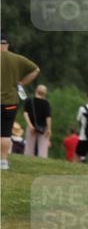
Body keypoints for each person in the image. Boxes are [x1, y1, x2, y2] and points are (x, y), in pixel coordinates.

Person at [1, 32, 40, 170]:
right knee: (5, 133)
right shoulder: (17, 59)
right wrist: (21, 83)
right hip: (11, 102)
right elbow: (36, 69)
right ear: (7, 45)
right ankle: (3, 162)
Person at [24, 85, 52, 158]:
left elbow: (25, 113)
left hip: (31, 126)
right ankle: (42, 161)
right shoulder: (46, 103)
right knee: (43, 148)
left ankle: (27, 160)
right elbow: (48, 117)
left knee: (29, 147)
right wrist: (49, 129)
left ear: (36, 90)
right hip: (43, 127)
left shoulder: (29, 100)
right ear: (45, 93)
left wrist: (30, 125)